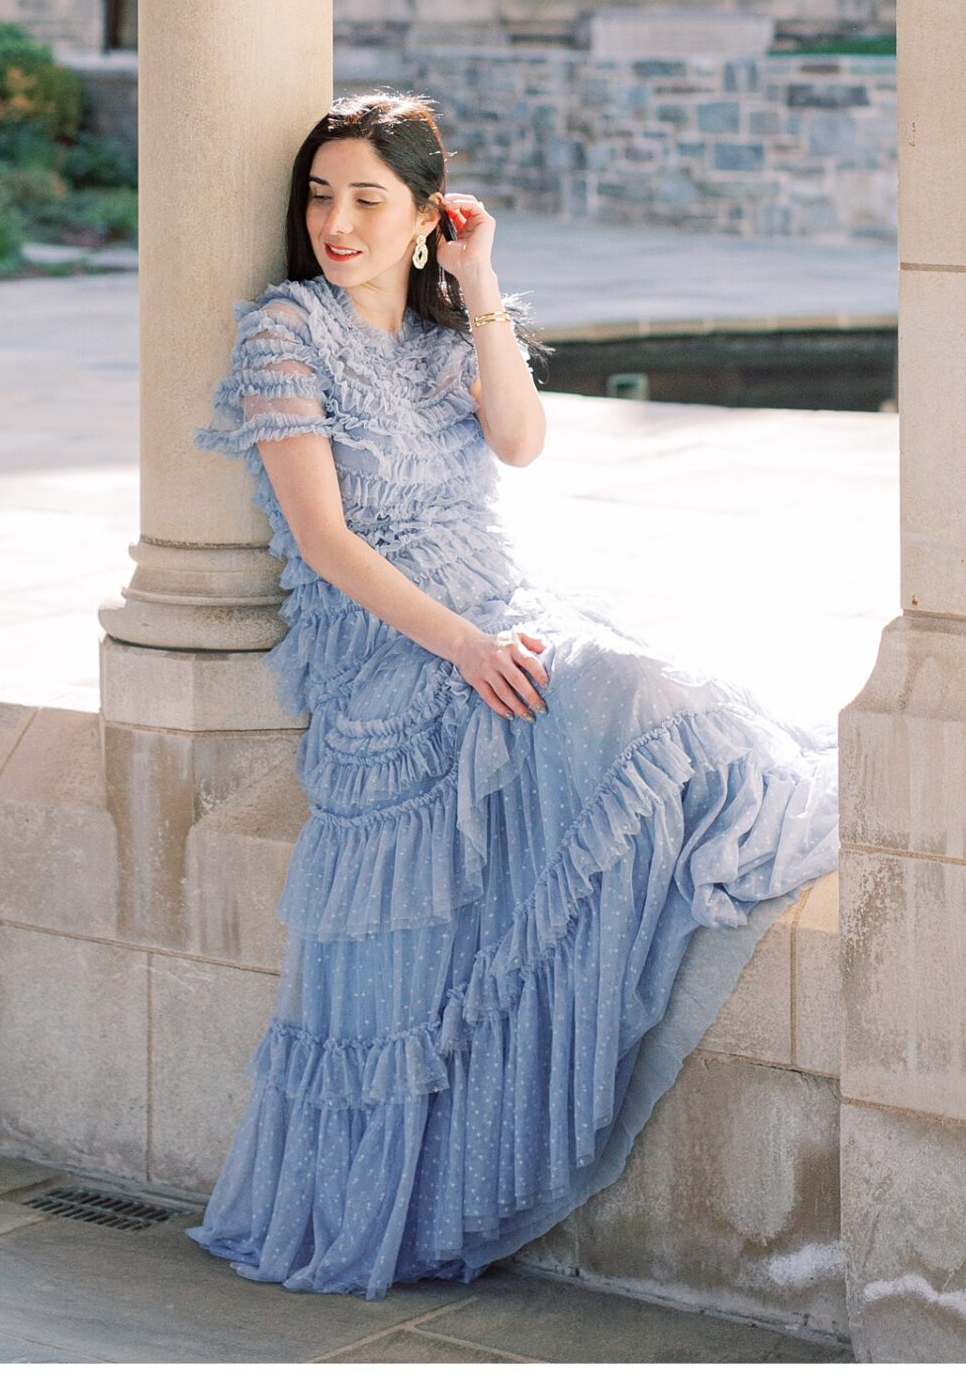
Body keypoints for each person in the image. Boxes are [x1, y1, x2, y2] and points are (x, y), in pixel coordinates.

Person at [186, 91, 838, 1301]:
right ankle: (389, 1203)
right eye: (320, 196)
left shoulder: (445, 334)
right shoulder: (287, 332)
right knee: (629, 699)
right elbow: (323, 540)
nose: (336, 221)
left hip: (500, 602)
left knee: (659, 700)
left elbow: (523, 441)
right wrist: (459, 651)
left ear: (424, 216)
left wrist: (479, 279)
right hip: (394, 647)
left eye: (368, 200)